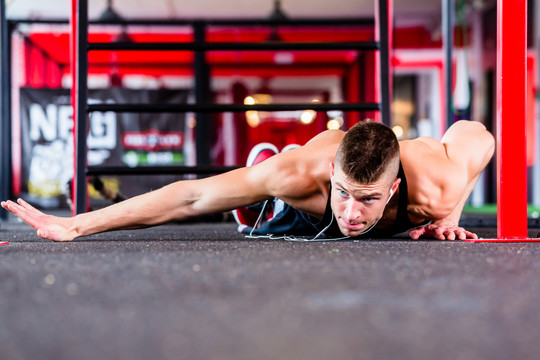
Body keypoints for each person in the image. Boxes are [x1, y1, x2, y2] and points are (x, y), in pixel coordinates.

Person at [1, 120, 494, 242]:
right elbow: (191, 196)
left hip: (406, 177)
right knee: (280, 181)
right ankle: (266, 193)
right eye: (344, 193)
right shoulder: (306, 177)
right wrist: (76, 226)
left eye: (365, 200)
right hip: (301, 179)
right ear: (331, 176)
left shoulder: (437, 182)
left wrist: (449, 214)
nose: (350, 213)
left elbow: (479, 136)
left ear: (390, 191)